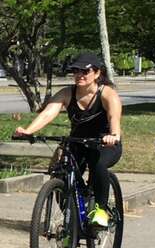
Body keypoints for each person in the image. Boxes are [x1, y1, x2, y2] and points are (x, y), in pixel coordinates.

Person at [14, 52, 122, 227]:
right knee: (60, 172)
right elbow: (48, 113)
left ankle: (101, 210)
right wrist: (28, 130)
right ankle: (71, 224)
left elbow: (114, 118)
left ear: (97, 73)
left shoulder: (107, 94)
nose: (79, 75)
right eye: (76, 71)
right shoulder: (67, 93)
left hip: (103, 143)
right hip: (77, 142)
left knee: (99, 165)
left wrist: (114, 135)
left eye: (84, 71)